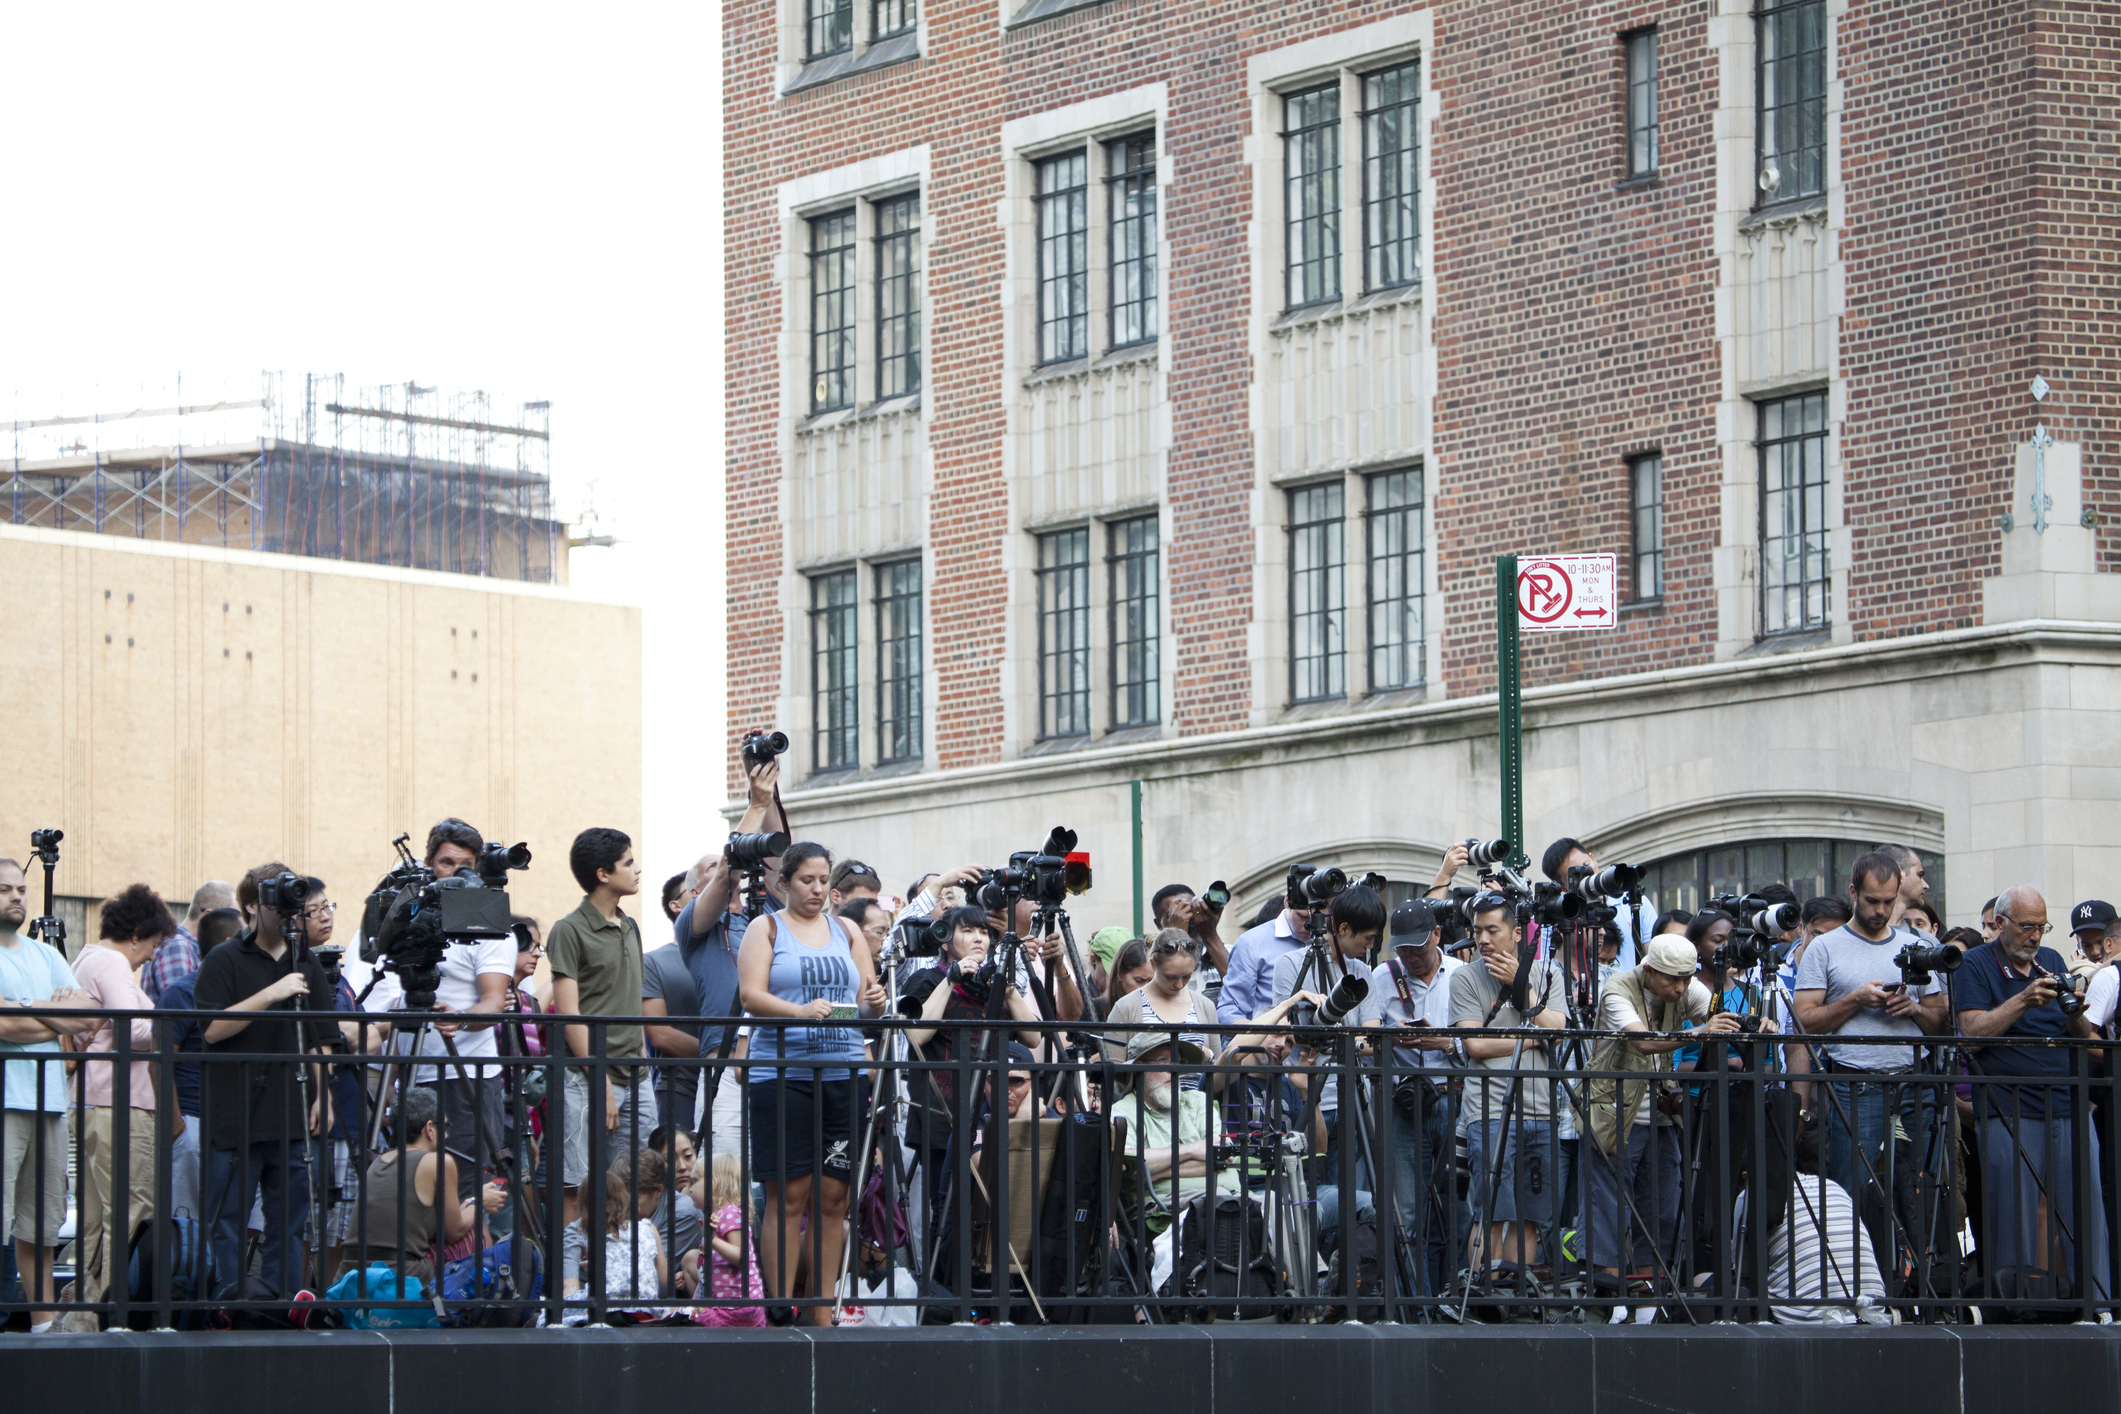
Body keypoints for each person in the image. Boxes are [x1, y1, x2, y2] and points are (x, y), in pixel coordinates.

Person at [737, 841, 886, 1325]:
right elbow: (752, 995)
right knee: (789, 1192)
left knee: (834, 1196)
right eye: (807, 880)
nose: (818, 889)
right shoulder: (767, 928)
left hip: (842, 1070)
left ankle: (824, 1310)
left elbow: (866, 1001)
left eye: (825, 880)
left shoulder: (846, 930)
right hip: (783, 1075)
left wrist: (877, 1003)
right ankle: (780, 1307)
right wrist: (799, 1011)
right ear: (784, 882)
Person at [1954, 885, 2111, 1302]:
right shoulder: (1974, 965)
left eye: (2042, 927)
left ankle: (2095, 1306)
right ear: (2001, 923)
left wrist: (2075, 1010)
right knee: (2014, 1215)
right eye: (2027, 927)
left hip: (2066, 1101)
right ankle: (2015, 1306)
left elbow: (2078, 1036)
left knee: (2086, 1212)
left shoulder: (2053, 960)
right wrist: (2022, 1001)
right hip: (2008, 1105)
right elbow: (1971, 1034)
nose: (2036, 936)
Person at [192, 861, 338, 1298]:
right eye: (278, 901)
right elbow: (212, 1028)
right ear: (253, 906)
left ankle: (283, 1309)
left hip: (291, 1115)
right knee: (230, 1220)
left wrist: (322, 1097)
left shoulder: (305, 961)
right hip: (234, 1115)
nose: (288, 911)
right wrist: (272, 993)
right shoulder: (224, 958)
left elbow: (321, 1040)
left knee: (289, 1225)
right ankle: (231, 1309)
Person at [1791, 851, 1949, 1235]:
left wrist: (1911, 1007)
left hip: (1914, 1080)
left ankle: (1915, 1281)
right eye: (1872, 901)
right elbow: (1804, 1022)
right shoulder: (1825, 948)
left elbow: (1940, 1020)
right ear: (1853, 893)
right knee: (1851, 1188)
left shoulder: (1918, 944)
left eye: (1889, 902)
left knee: (1920, 1185)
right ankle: (1852, 1278)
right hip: (1854, 1083)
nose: (1880, 910)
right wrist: (1854, 1000)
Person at [367, 820, 518, 1202]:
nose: (455, 873)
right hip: (414, 1075)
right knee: (410, 1190)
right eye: (446, 863)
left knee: (467, 1189)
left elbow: (494, 1002)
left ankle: (467, 1262)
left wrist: (461, 1018)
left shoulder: (488, 921)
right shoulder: (411, 914)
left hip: (466, 1076)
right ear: (429, 863)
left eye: (465, 864)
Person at [1581, 936, 1734, 1303]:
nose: (1680, 988)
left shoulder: (1680, 982)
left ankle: (1651, 1298)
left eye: (1686, 979)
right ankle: (1609, 1301)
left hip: (1661, 1116)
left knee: (1662, 1212)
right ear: (1649, 970)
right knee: (1610, 1212)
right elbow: (1643, 1042)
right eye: (1672, 981)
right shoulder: (1617, 987)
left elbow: (1712, 1016)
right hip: (1614, 1115)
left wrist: (1749, 1023)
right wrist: (1700, 1032)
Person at [0, 859, 96, 1333]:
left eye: (20, 889)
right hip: (5, 1101)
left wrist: (24, 1007)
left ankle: (43, 1324)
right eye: (4, 889)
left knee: (42, 1222)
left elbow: (88, 1017)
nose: (16, 897)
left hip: (49, 1102)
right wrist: (49, 1012)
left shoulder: (48, 955)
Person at [1450, 892, 1566, 1273]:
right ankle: (1484, 1295)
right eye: (1477, 930)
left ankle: (1519, 1299)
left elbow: (1561, 1029)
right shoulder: (1466, 977)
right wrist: (1534, 1037)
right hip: (1490, 1112)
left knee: (1529, 1218)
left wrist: (1522, 986)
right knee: (1492, 1214)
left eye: (1492, 930)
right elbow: (1476, 1044)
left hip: (1541, 1110)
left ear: (1517, 933)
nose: (1482, 939)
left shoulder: (1547, 972)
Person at [71, 885, 173, 1313]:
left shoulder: (85, 958)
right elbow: (130, 1028)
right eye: (152, 945)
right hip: (121, 1102)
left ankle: (82, 1305)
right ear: (136, 933)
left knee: (95, 1216)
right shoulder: (113, 962)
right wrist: (170, 1029)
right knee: (132, 1205)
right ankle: (113, 1307)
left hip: (91, 1100)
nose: (151, 956)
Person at [549, 827, 656, 1232]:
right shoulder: (569, 930)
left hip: (637, 1074)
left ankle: (618, 1280)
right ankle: (571, 1286)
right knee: (578, 1185)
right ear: (603, 874)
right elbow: (568, 1013)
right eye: (628, 862)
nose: (637, 869)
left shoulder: (630, 926)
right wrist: (601, 1078)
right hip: (586, 1075)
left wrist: (642, 1061)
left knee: (635, 1183)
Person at [1109, 1029, 1243, 1290]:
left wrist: (1160, 1166)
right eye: (1161, 1062)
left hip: (1233, 1196)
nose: (1172, 1069)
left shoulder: (1198, 1101)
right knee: (1212, 1207)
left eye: (1176, 1062)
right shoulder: (1123, 1111)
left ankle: (1313, 1292)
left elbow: (1222, 1155)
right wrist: (1192, 1150)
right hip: (1164, 1208)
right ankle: (1167, 1299)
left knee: (1279, 1206)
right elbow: (1133, 1169)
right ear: (1138, 1069)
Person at [1374, 898, 1463, 1294]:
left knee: (1459, 1209)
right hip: (1404, 1103)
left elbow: (1481, 1038)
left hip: (1456, 1097)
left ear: (1438, 936)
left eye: (1418, 947)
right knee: (1408, 1213)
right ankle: (1419, 1304)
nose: (1410, 957)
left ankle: (1457, 1296)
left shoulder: (1463, 974)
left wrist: (1443, 1041)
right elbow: (1367, 1034)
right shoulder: (1383, 977)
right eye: (1404, 949)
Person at [1267, 883, 1388, 1158]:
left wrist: (1326, 1037)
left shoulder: (1360, 972)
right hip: (1307, 1096)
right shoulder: (1290, 964)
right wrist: (1347, 1039)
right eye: (1367, 938)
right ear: (1343, 929)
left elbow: (1372, 1042)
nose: (1369, 946)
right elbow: (1288, 1033)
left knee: (1356, 1196)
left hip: (1355, 1098)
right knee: (1312, 1191)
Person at [1734, 1114, 1890, 1324]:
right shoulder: (1830, 1186)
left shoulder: (1749, 1196)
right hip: (1870, 1307)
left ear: (1745, 1175)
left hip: (1808, 1314)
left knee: (1706, 1282)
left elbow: (1740, 1274)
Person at [345, 1086, 504, 1287]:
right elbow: (454, 1232)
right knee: (475, 1231)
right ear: (429, 1128)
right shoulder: (438, 1162)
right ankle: (474, 1306)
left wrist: (470, 1204)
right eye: (444, 1127)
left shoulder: (379, 1160)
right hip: (402, 1275)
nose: (446, 1136)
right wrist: (480, 1201)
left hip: (353, 1272)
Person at [154, 908, 243, 1230]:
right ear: (229, 943)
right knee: (186, 1225)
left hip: (235, 1127)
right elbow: (160, 1061)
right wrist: (177, 1127)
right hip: (193, 1121)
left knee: (235, 1224)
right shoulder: (180, 992)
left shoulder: (249, 997)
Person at [568, 1145, 668, 1324]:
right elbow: (663, 1278)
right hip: (645, 1309)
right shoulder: (648, 1228)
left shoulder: (591, 1232)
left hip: (605, 1308)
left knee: (550, 1313)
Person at [1542, 837, 1656, 972]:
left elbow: (1654, 957)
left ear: (1593, 858)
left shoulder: (1634, 901)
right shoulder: (1557, 915)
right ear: (1564, 887)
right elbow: (1550, 969)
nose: (1588, 875)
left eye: (1587, 864)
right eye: (1577, 874)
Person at [1215, 871, 1313, 1027]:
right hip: (1270, 1048)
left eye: (1316, 918)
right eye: (1302, 917)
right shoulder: (1252, 943)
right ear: (1287, 901)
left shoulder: (1329, 941)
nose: (1309, 925)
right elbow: (1230, 1011)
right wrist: (1263, 1038)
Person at [1127, 930, 1220, 1090]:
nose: (1179, 984)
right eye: (1170, 977)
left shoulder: (1205, 1006)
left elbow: (1218, 1069)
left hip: (1195, 1108)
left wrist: (1208, 1056)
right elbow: (1115, 1073)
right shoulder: (1127, 1006)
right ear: (1153, 964)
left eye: (1186, 976)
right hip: (1145, 1110)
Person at [691, 1150, 767, 1326]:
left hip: (736, 1308)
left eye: (695, 1181)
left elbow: (742, 1256)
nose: (690, 1188)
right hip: (727, 1305)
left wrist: (713, 1241)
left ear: (714, 1185)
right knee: (691, 1313)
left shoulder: (730, 1213)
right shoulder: (719, 1216)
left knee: (689, 1317)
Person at [143, 879, 235, 1004]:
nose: (238, 925)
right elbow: (179, 1011)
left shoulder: (182, 945)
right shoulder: (178, 946)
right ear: (208, 916)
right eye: (232, 917)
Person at [1151, 882, 1231, 977]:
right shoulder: (1152, 961)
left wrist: (1210, 936)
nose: (1184, 917)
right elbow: (1173, 984)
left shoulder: (1231, 952)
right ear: (1158, 924)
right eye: (1173, 915)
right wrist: (1177, 936)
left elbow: (1240, 987)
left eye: (1190, 909)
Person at [1877, 844, 1931, 929]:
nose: (1926, 886)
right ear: (1899, 874)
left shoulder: (1925, 940)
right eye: (1919, 875)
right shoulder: (1852, 937)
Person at [2067, 899, 2116, 980]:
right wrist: (2078, 968)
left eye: (2101, 943)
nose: (2095, 952)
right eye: (2086, 945)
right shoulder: (2079, 970)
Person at [1102, 938, 1153, 1014]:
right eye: (1139, 980)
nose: (1146, 987)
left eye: (1151, 981)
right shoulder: (1094, 1010)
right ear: (1119, 974)